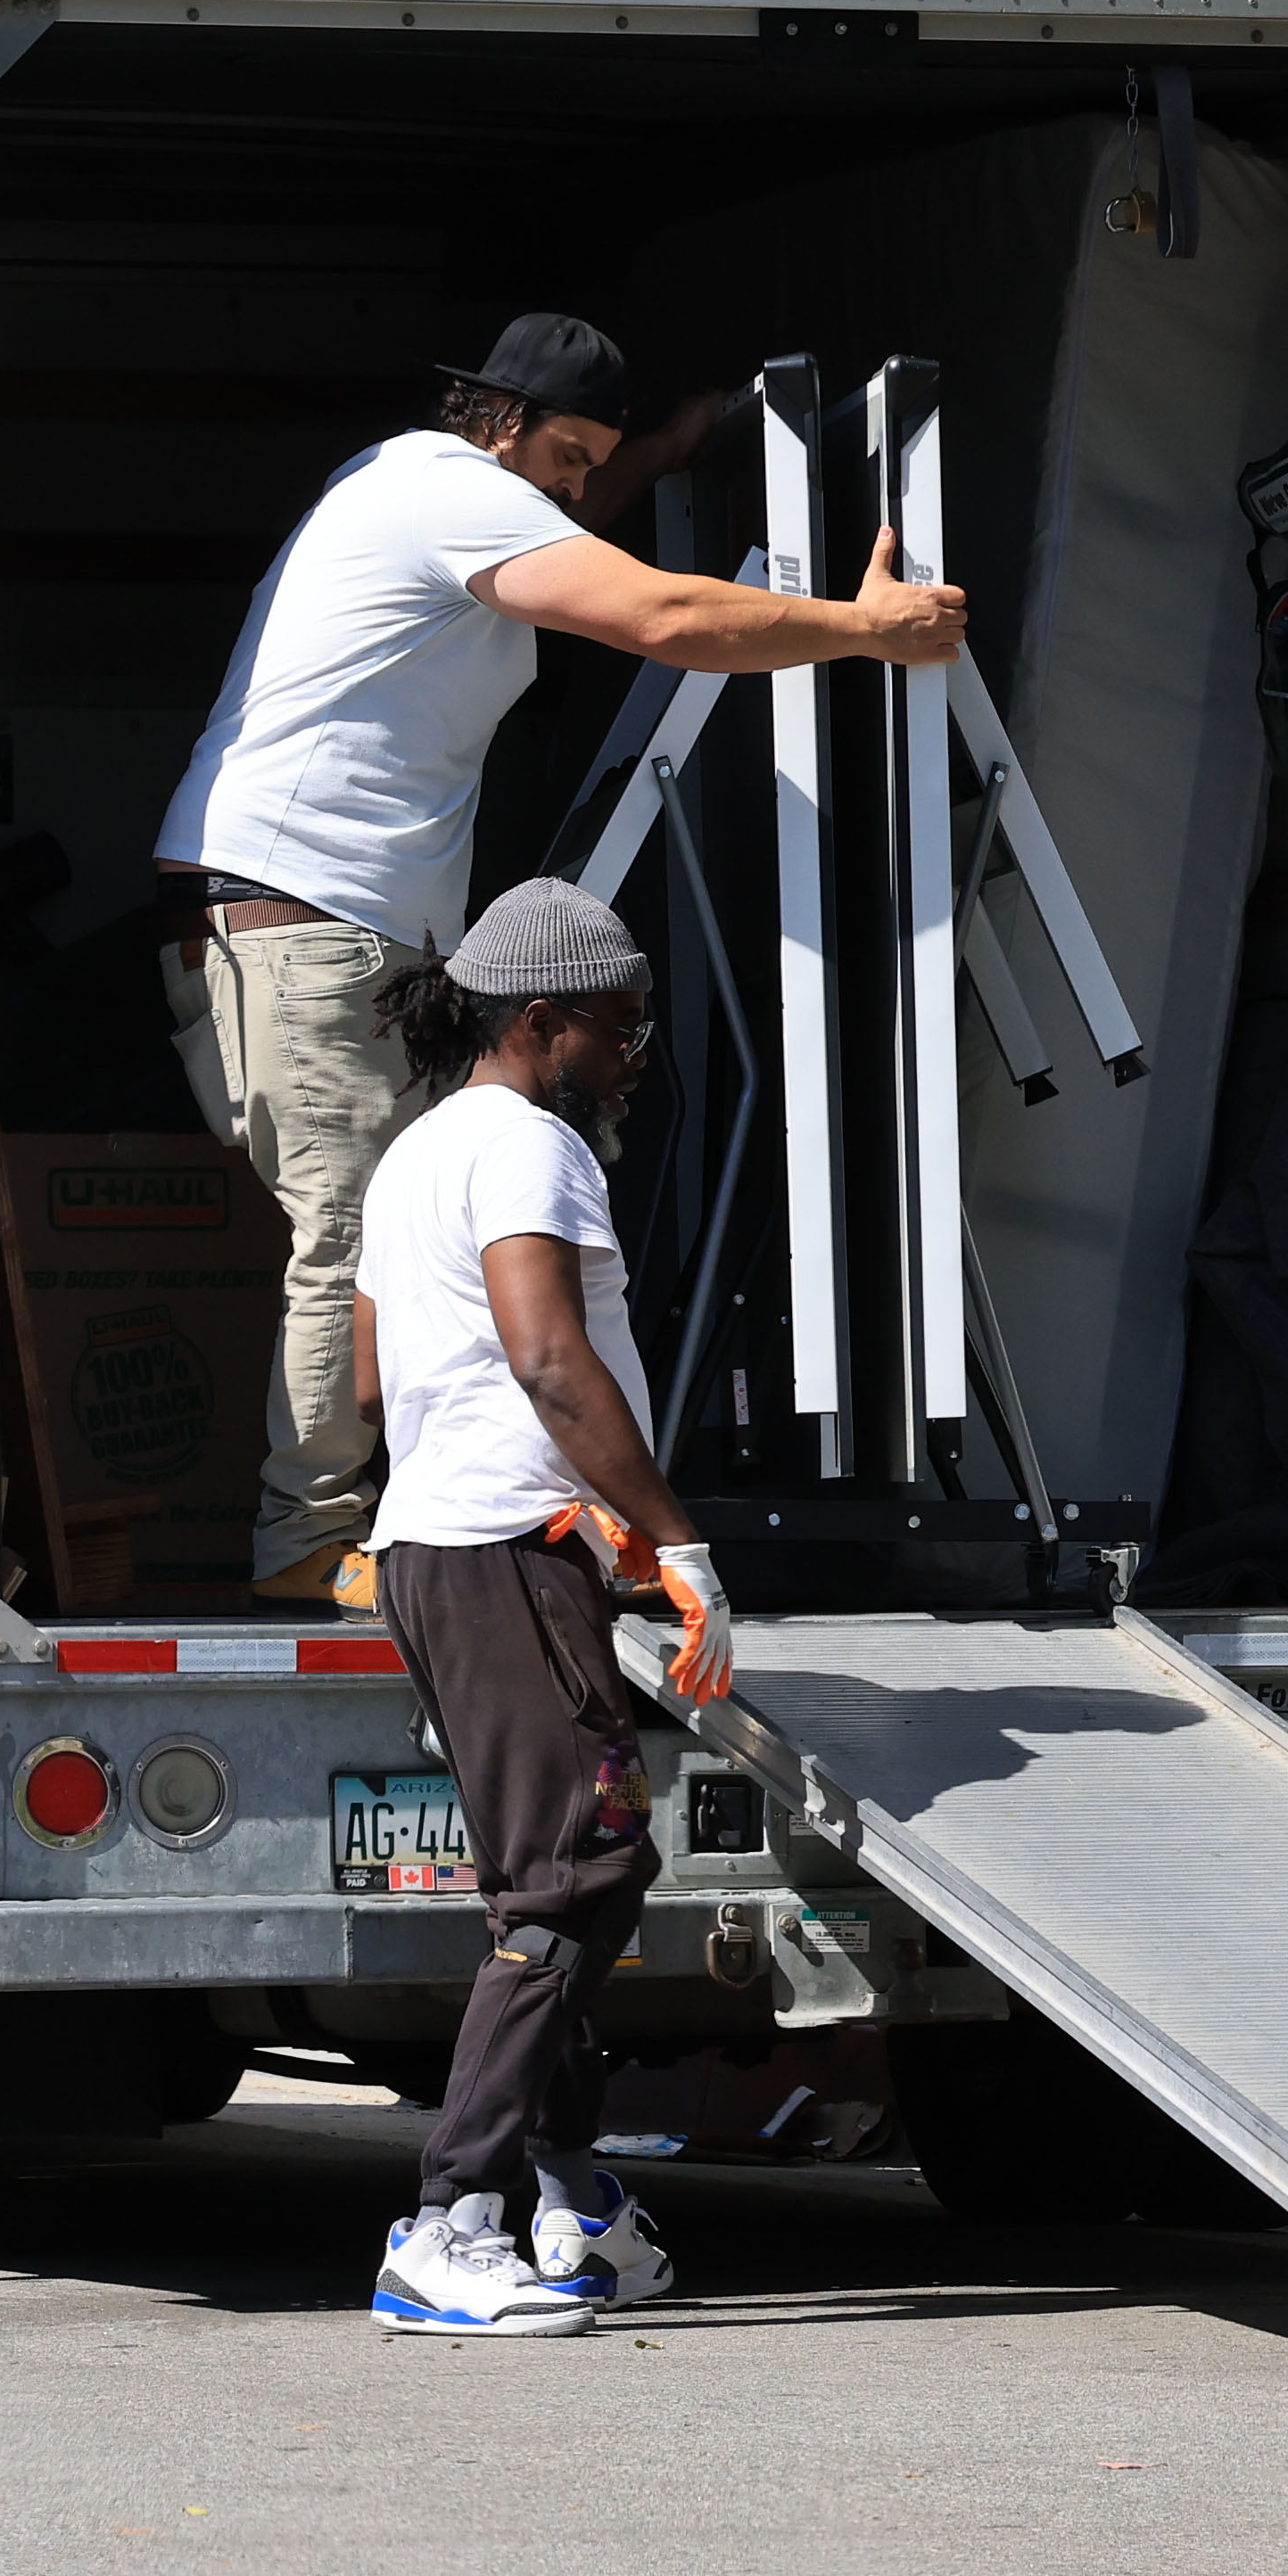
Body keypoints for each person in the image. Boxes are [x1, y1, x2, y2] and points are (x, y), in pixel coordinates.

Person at [154, 311, 967, 1611]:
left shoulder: (424, 488)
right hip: (304, 924)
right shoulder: (443, 492)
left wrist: (662, 450)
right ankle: (306, 1543)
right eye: (571, 457)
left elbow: (573, 527)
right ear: (497, 425)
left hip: (327, 923)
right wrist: (863, 630)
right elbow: (651, 612)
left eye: (598, 465)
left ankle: (412, 1517)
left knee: (403, 1228)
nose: (584, 488)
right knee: (356, 1231)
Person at [353, 877, 731, 2337]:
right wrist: (674, 1537)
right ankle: (448, 2219)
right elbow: (550, 1360)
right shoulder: (527, 1150)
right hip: (509, 1548)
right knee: (573, 1879)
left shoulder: (411, 1159)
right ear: (542, 1021)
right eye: (621, 1026)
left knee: (570, 1878)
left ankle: (574, 2192)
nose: (634, 1053)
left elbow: (378, 1386)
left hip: (444, 1547)